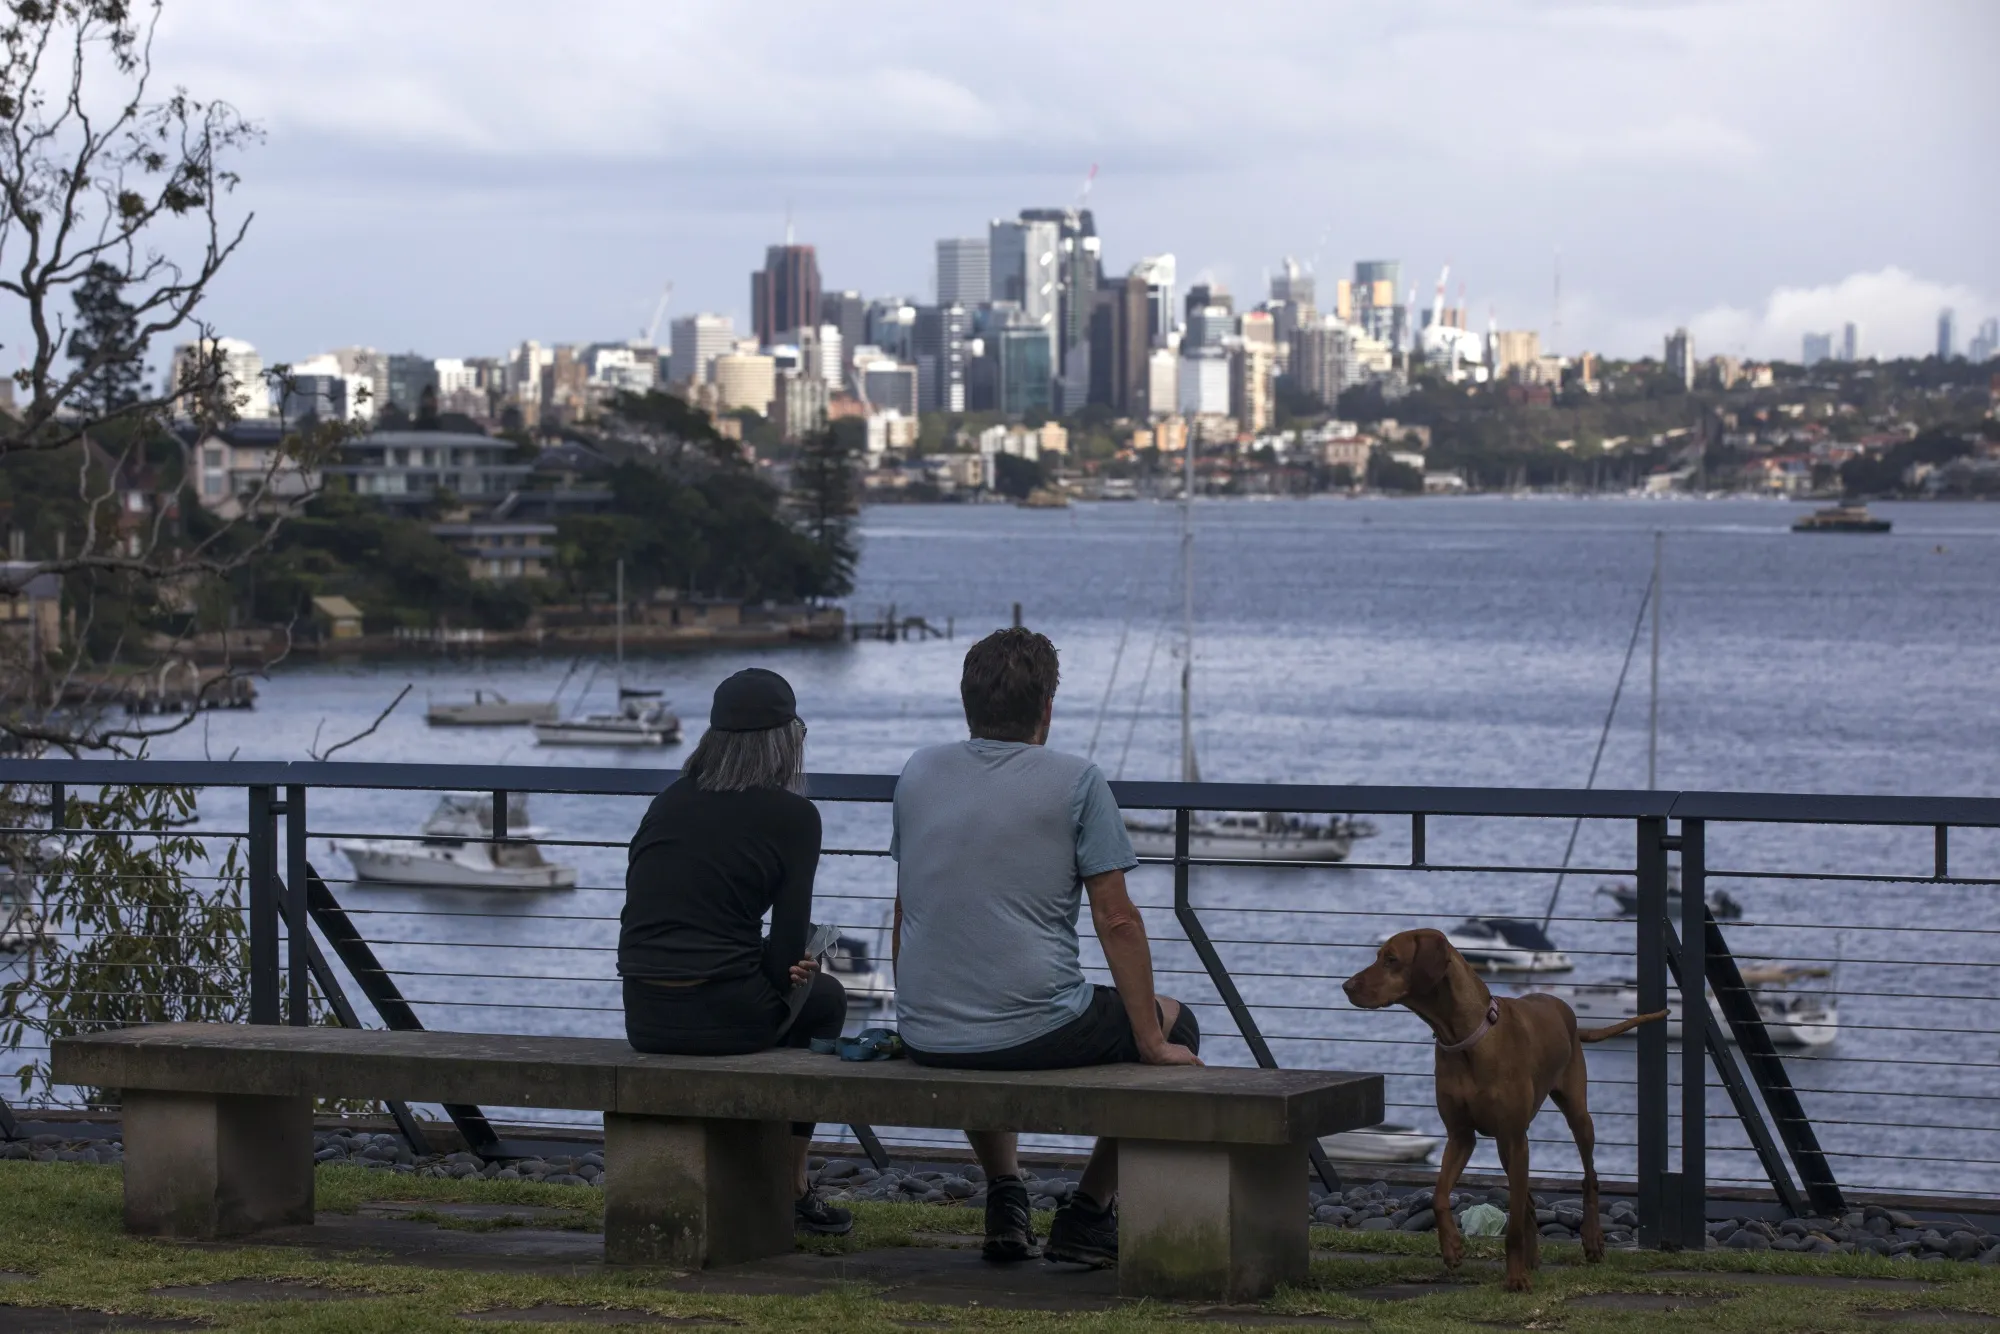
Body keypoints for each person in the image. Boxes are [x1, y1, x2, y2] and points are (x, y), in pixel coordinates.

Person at [891, 627, 1202, 1268]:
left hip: (926, 1030)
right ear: (1048, 709)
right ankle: (1089, 1212)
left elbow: (907, 906)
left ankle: (1006, 1194)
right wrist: (1149, 1038)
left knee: (983, 1006)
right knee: (1179, 1022)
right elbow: (1117, 921)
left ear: (967, 703)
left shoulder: (919, 771)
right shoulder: (1077, 780)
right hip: (1037, 1029)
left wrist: (917, 1007)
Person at [620, 666, 852, 1236]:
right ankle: (792, 1183)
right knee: (824, 1001)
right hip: (725, 1019)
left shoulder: (667, 802)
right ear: (787, 740)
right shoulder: (795, 816)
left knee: (792, 991)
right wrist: (798, 964)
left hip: (644, 1016)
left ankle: (750, 1161)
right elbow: (784, 955)